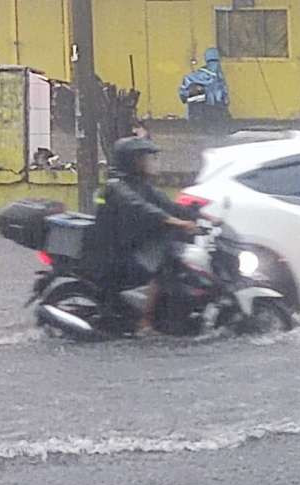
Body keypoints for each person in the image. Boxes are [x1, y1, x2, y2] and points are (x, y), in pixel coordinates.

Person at [90, 137, 198, 333]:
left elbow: (169, 206)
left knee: (179, 260)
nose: (152, 162)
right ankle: (145, 322)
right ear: (132, 161)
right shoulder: (116, 187)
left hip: (135, 246)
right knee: (164, 267)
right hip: (116, 254)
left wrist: (201, 216)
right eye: (146, 158)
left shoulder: (143, 186)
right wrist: (174, 222)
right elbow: (141, 207)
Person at [178, 48, 230, 128]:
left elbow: (184, 92)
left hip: (202, 112)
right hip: (209, 110)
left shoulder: (194, 77)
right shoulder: (217, 75)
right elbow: (222, 91)